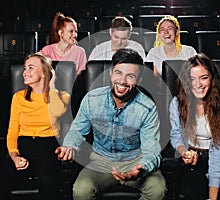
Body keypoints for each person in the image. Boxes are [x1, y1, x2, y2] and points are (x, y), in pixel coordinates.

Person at [55, 48, 167, 199]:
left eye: (130, 76)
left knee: (157, 189)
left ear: (139, 81)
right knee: (81, 190)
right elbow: (76, 131)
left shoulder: (147, 107)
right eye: (118, 73)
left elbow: (152, 150)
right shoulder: (92, 99)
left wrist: (140, 170)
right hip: (101, 161)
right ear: (110, 73)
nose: (122, 81)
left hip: (135, 161)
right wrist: (70, 147)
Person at [0, 54, 71, 200]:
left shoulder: (62, 96)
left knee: (48, 183)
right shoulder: (18, 97)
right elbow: (12, 132)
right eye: (25, 68)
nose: (25, 72)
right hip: (23, 148)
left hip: (48, 149)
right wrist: (15, 157)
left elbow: (57, 112)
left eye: (31, 68)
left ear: (44, 73)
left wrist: (51, 85)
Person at [169, 53, 220, 200]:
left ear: (212, 79)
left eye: (203, 78)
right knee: (192, 190)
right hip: (191, 158)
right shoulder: (177, 103)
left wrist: (213, 198)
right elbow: (176, 135)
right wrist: (184, 152)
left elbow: (219, 152)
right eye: (192, 79)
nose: (198, 84)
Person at [39, 12, 87, 76]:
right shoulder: (47, 51)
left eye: (76, 31)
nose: (75, 35)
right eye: (71, 31)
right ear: (61, 33)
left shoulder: (80, 52)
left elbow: (79, 77)